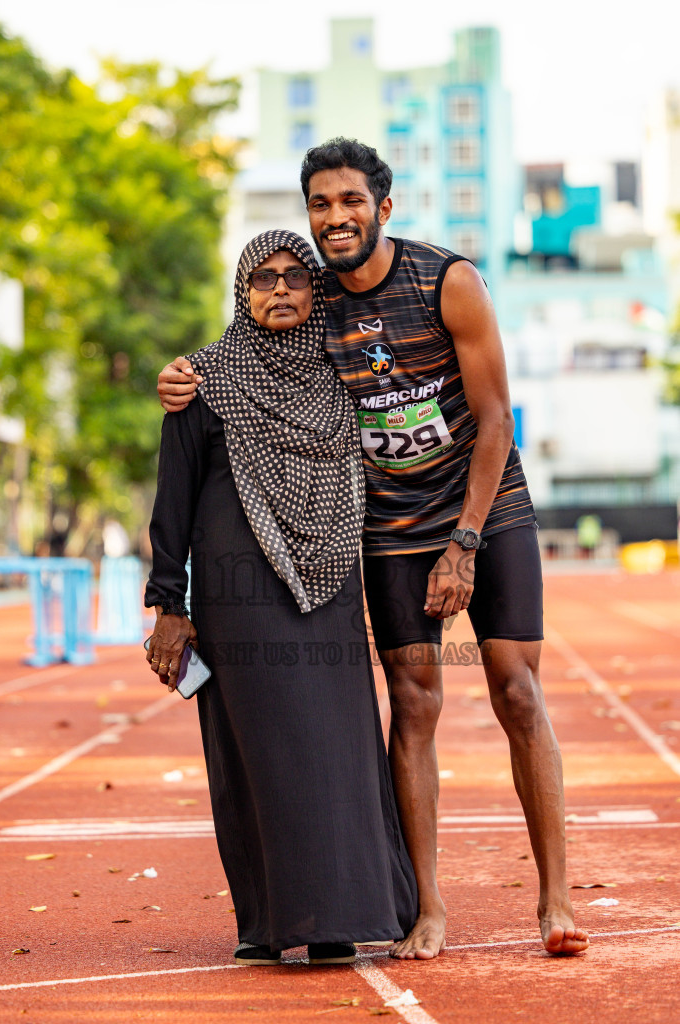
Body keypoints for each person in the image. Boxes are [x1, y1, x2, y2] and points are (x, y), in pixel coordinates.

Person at [157, 139, 590, 960]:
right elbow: (249, 345)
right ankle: (426, 907)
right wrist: (183, 376)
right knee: (414, 702)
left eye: (350, 201)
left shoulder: (446, 282)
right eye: (320, 204)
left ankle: (556, 899)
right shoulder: (310, 294)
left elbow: (495, 419)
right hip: (390, 527)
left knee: (515, 689)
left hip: (484, 509)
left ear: (382, 207)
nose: (335, 218)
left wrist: (464, 543)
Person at [145, 229, 417, 966]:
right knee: (255, 753)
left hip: (329, 587)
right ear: (243, 292)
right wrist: (169, 606)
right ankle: (267, 921)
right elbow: (172, 502)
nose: (280, 290)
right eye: (263, 278)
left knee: (336, 750)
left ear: (315, 290)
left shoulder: (343, 374)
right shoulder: (204, 380)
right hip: (238, 600)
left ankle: (339, 918)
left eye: (295, 276)